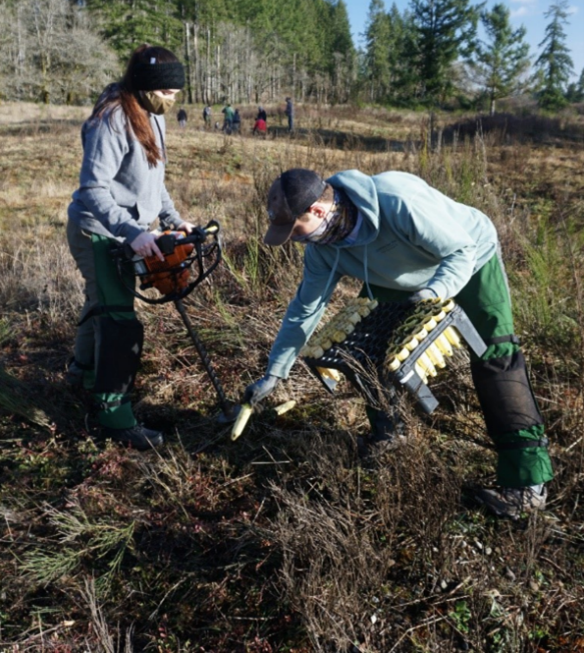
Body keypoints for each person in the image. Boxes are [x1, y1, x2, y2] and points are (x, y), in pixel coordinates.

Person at [242, 168, 553, 520]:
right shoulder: (322, 249)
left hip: (468, 257)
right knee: (368, 351)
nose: (295, 242)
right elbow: (304, 310)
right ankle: (389, 436)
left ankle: (527, 483)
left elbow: (460, 250)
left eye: (294, 232)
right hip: (395, 278)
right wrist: (275, 373)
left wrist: (434, 294)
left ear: (316, 211)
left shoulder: (396, 200)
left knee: (495, 357)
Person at [66, 44, 196, 451]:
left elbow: (154, 180)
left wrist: (173, 219)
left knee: (101, 302)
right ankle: (114, 416)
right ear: (146, 86)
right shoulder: (112, 119)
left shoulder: (152, 115)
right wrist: (130, 231)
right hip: (98, 231)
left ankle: (82, 373)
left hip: (126, 231)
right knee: (121, 321)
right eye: (169, 91)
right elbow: (93, 189)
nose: (175, 98)